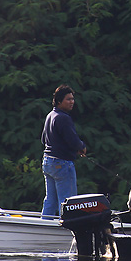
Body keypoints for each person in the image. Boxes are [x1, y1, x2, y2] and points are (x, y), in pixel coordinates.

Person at [41, 84, 88, 218]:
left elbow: (44, 140)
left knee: (51, 200)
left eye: (72, 99)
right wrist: (82, 147)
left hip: (47, 162)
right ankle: (68, 229)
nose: (72, 102)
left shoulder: (50, 115)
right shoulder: (63, 118)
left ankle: (44, 225)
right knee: (69, 202)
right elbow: (73, 141)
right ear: (59, 101)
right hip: (61, 164)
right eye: (68, 99)